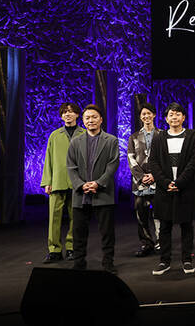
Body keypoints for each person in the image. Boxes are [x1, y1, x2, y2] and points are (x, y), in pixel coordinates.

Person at [149, 102, 195, 276]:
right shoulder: (159, 137)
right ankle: (164, 261)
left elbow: (194, 161)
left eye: (178, 114)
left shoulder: (192, 136)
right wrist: (165, 183)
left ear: (184, 117)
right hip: (164, 190)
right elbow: (153, 162)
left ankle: (187, 260)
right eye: (171, 114)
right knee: (164, 226)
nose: (174, 117)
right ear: (166, 118)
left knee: (186, 226)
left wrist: (179, 182)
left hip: (185, 188)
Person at [67, 104, 120, 273]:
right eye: (87, 118)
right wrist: (81, 185)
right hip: (80, 194)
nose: (91, 120)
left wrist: (98, 183)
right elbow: (71, 167)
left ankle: (108, 263)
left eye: (94, 117)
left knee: (107, 232)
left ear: (101, 120)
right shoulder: (75, 141)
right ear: (83, 121)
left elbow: (113, 165)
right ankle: (79, 263)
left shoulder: (111, 140)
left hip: (103, 193)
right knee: (78, 232)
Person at [41, 103, 85, 263]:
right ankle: (54, 250)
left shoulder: (84, 134)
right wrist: (47, 181)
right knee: (54, 217)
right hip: (57, 181)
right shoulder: (55, 135)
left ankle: (72, 248)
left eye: (71, 112)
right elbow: (48, 159)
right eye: (65, 112)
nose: (68, 114)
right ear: (61, 116)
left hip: (77, 181)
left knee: (76, 217)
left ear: (77, 115)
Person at [128, 102, 162, 257]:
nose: (146, 116)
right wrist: (142, 177)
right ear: (140, 117)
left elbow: (165, 159)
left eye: (149, 113)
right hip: (140, 184)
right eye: (143, 114)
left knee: (159, 214)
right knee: (141, 215)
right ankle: (146, 243)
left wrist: (155, 175)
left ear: (154, 115)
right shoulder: (134, 137)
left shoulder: (162, 135)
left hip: (158, 182)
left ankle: (161, 242)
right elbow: (131, 159)